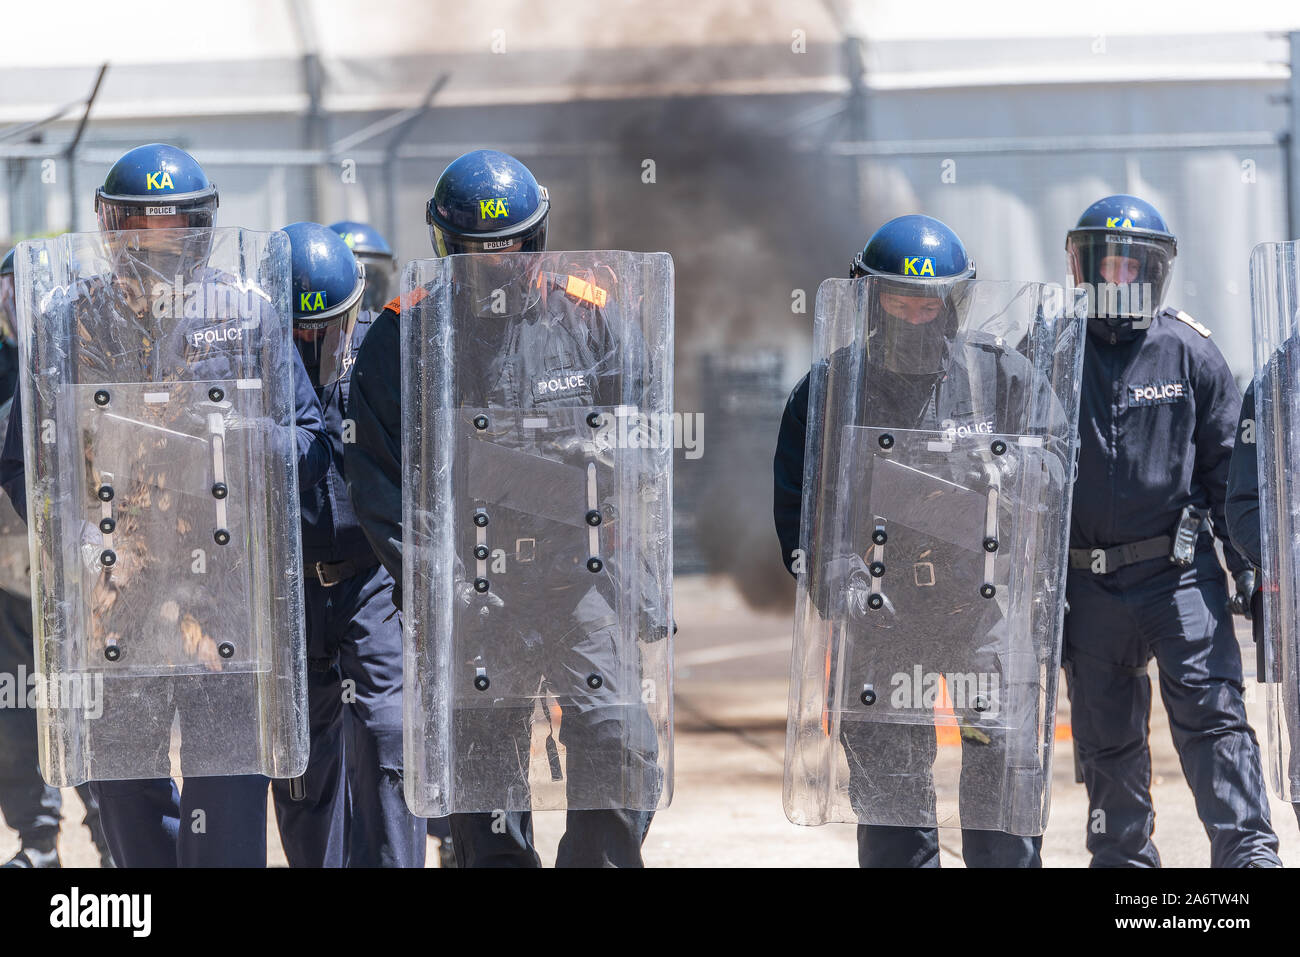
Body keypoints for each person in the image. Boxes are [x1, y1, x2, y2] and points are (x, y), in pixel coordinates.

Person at [0, 143, 332, 867]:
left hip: (227, 618)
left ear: (204, 229)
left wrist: (233, 443)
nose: (160, 251)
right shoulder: (67, 321)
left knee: (228, 829)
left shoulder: (248, 315)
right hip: (113, 613)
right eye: (143, 233)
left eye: (175, 233)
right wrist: (81, 535)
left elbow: (311, 447)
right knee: (132, 823)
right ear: (112, 231)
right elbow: (26, 461)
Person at [346, 148, 665, 867]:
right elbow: (379, 482)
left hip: (581, 575)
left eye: (514, 244)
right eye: (480, 251)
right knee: (481, 768)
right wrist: (440, 580)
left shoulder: (592, 316)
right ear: (445, 245)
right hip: (470, 585)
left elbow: (646, 441)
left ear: (538, 236)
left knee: (620, 740)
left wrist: (617, 485)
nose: (500, 262)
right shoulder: (404, 333)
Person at [774, 213, 1069, 867]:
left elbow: (1057, 461)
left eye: (928, 299)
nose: (915, 312)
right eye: (900, 297)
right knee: (892, 810)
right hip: (880, 615)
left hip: (984, 608)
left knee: (1004, 794)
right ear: (870, 296)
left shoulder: (1001, 374)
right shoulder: (828, 388)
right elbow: (801, 509)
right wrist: (838, 578)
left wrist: (1007, 465)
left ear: (953, 299)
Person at [1061, 194, 1278, 867]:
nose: (1119, 278)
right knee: (1107, 737)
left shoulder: (1191, 353)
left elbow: (1227, 477)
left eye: (1134, 265)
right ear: (1081, 267)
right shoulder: (1049, 355)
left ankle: (1248, 855)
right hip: (1086, 584)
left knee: (1215, 721)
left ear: (1155, 270)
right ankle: (1123, 861)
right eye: (1107, 264)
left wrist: (1250, 568)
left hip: (1177, 577)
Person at [276, 220, 424, 867]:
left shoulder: (384, 358)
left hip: (369, 582)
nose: (315, 344)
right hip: (288, 593)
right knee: (302, 763)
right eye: (298, 333)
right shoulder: (244, 378)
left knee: (391, 737)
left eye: (329, 326)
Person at [0, 248, 112, 868]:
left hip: (85, 576)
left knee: (91, 713)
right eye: (8, 288)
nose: (18, 301)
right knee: (15, 714)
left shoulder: (85, 356)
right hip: (10, 574)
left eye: (30, 288)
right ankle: (39, 842)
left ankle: (114, 839)